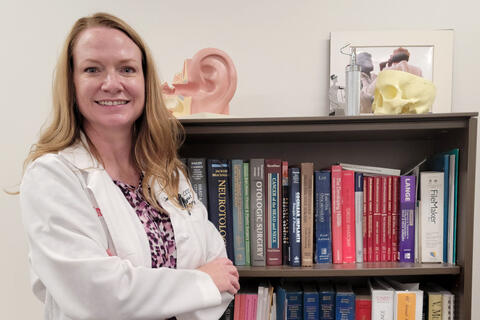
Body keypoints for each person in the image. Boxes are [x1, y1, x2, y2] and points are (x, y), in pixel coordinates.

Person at [19, 12, 239, 320]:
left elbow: (224, 274)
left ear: (144, 81)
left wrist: (136, 288)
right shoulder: (52, 177)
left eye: (127, 69)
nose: (112, 84)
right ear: (71, 83)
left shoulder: (166, 173)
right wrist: (201, 280)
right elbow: (98, 298)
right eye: (92, 69)